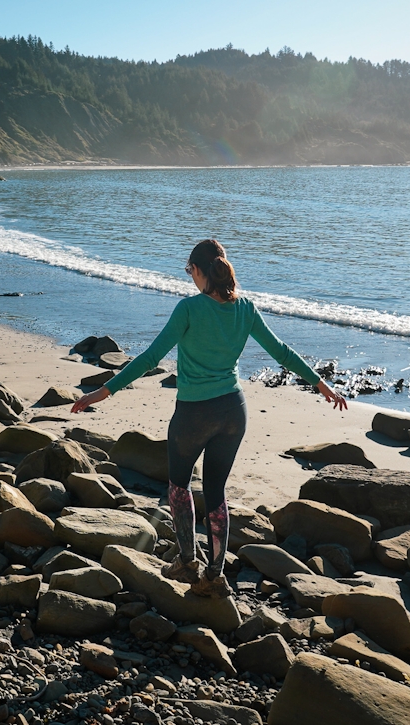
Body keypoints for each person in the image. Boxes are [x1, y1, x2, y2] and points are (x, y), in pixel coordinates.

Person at [71, 239, 347, 598]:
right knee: (216, 494)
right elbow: (282, 352)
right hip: (234, 411)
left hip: (193, 415)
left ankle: (187, 562)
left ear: (198, 271)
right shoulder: (245, 308)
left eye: (190, 272)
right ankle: (215, 577)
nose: (190, 279)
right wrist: (320, 384)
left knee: (178, 486)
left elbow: (152, 357)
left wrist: (103, 391)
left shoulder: (188, 309)